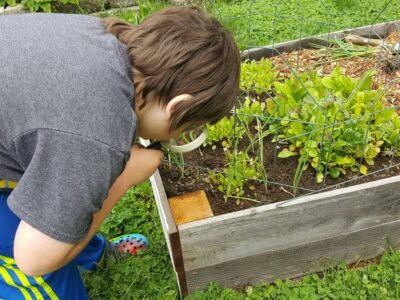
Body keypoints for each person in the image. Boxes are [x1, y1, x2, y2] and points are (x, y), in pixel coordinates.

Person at [0, 6, 240, 299]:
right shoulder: (95, 132)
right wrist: (123, 178)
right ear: (177, 106)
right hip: (33, 255)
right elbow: (33, 260)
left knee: (66, 190)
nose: (181, 136)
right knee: (41, 265)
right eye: (190, 128)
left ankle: (86, 254)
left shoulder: (100, 36)